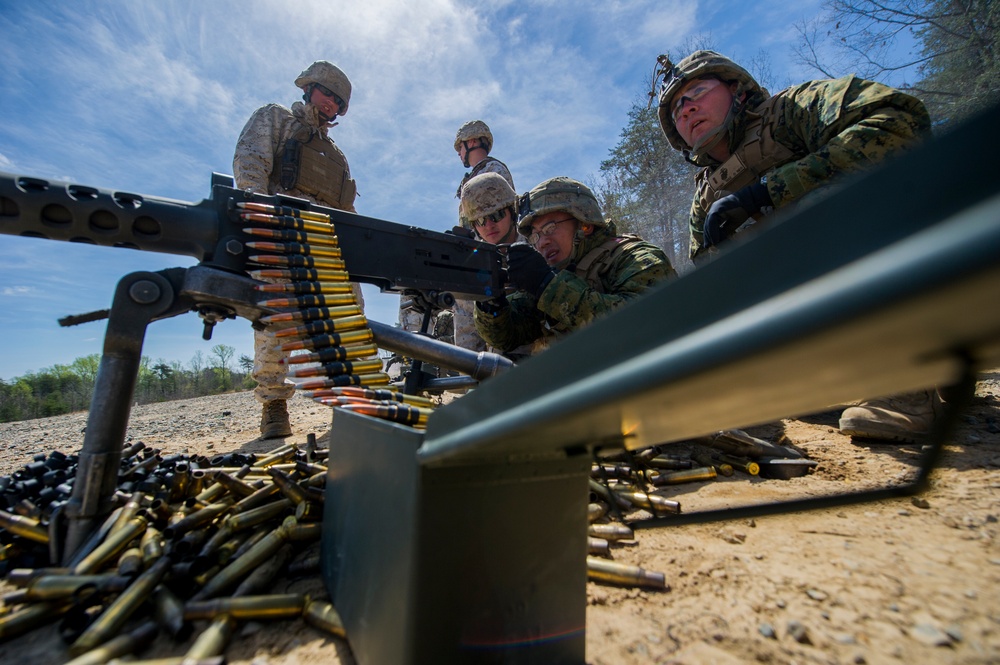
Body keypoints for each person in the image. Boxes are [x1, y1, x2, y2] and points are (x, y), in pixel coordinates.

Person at [653, 49, 937, 443]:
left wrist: (769, 191)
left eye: (697, 91)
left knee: (822, 211)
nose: (686, 110)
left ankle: (907, 379)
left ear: (736, 90)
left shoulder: (793, 110)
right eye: (676, 110)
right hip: (804, 314)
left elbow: (898, 121)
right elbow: (711, 287)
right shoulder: (705, 197)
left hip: (896, 266)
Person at [233, 60, 359, 439]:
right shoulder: (275, 119)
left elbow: (347, 206)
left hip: (327, 243)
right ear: (309, 89)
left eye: (338, 101)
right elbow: (250, 166)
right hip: (280, 232)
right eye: (326, 94)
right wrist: (261, 220)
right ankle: (274, 405)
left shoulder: (336, 153)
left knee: (347, 320)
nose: (330, 104)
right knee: (275, 321)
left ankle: (348, 401)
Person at [475, 177, 674, 354]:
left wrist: (547, 286)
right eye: (536, 235)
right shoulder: (555, 274)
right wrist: (492, 300)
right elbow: (506, 337)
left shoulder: (635, 257)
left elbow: (641, 324)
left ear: (584, 224)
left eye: (550, 228)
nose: (542, 242)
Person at [455, 172, 530, 359]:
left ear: (512, 211)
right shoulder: (472, 265)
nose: (488, 225)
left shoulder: (538, 248)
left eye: (496, 215)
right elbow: (467, 339)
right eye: (480, 220)